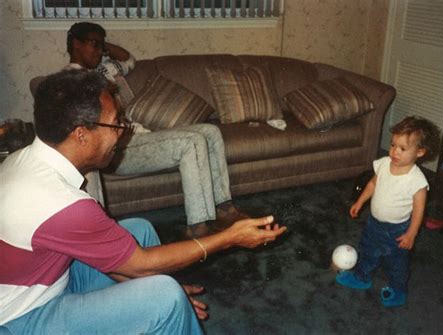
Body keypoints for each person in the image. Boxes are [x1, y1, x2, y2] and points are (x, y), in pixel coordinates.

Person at [0, 69, 286, 334]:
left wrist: (145, 281)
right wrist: (229, 237)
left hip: (49, 279)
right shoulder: (62, 203)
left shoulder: (23, 160)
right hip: (22, 317)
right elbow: (140, 264)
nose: (122, 132)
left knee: (138, 229)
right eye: (115, 124)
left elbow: (124, 261)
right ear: (81, 135)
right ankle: (165, 313)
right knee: (165, 297)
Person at [64, 21, 248, 237]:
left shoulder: (104, 69)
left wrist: (104, 47)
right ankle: (199, 227)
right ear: (76, 44)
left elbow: (129, 60)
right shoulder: (71, 80)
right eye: (93, 44)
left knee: (210, 131)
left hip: (141, 136)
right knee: (193, 142)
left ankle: (224, 208)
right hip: (119, 149)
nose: (98, 50)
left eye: (100, 46)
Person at [336, 116, 440, 307]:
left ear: (420, 152)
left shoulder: (416, 180)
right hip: (374, 222)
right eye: (393, 145)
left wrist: (411, 233)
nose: (394, 151)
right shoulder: (384, 163)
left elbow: (419, 210)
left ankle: (398, 289)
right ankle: (361, 277)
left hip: (397, 230)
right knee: (367, 250)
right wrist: (360, 202)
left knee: (397, 262)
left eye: (402, 148)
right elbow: (373, 183)